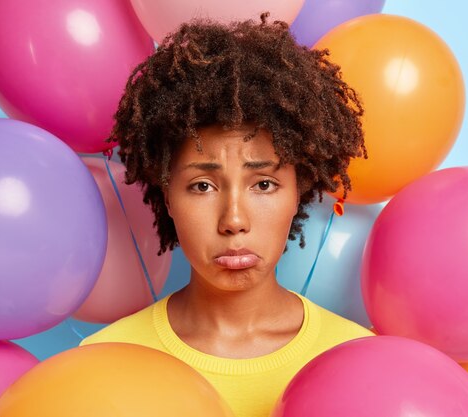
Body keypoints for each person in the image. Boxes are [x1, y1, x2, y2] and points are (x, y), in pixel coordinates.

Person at [81, 13, 373, 417]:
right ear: (167, 196)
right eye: (202, 186)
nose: (233, 220)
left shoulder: (360, 365)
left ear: (299, 191)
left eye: (264, 184)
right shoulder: (100, 364)